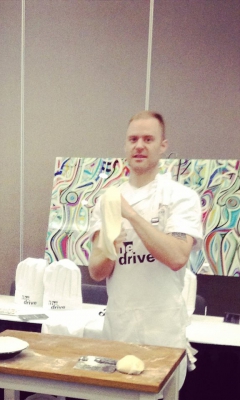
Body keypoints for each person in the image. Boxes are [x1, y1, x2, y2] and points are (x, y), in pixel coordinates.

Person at [88, 111, 203, 386]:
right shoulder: (108, 201)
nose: (139, 145)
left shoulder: (182, 198)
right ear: (126, 146)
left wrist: (132, 216)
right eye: (133, 139)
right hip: (118, 331)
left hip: (164, 335)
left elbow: (177, 257)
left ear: (162, 145)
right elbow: (96, 271)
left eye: (148, 139)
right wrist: (110, 242)